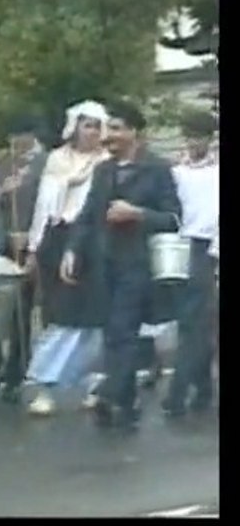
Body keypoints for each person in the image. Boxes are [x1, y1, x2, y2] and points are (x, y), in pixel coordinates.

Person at [60, 100, 181, 432]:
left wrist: (137, 213)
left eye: (114, 128)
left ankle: (110, 394)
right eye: (104, 129)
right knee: (112, 331)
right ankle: (125, 401)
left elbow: (173, 218)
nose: (106, 136)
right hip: (104, 262)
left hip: (138, 263)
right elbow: (88, 216)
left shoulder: (157, 168)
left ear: (134, 132)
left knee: (122, 329)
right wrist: (72, 250)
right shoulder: (104, 170)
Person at [22, 100, 110, 416]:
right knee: (59, 314)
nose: (93, 133)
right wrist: (33, 248)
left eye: (98, 126)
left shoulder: (107, 162)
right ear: (74, 128)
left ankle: (94, 382)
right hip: (57, 238)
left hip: (95, 242)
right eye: (87, 125)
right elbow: (44, 209)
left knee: (93, 317)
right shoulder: (56, 161)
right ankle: (46, 384)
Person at [0, 115, 48, 401]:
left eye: (22, 135)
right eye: (12, 136)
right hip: (2, 241)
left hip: (32, 242)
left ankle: (18, 369)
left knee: (23, 308)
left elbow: (48, 202)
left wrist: (30, 238)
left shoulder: (47, 162)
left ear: (32, 135)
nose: (16, 142)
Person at [162, 109, 219, 418]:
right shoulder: (176, 172)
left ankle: (178, 392)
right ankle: (202, 385)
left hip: (204, 248)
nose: (192, 142)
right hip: (175, 246)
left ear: (209, 140)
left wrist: (215, 251)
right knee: (192, 321)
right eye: (189, 135)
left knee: (192, 320)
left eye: (199, 136)